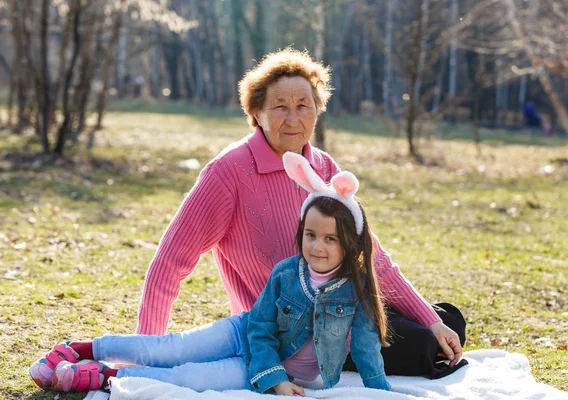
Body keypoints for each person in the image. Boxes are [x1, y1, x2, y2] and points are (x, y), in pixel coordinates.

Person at [136, 48, 466, 377]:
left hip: (347, 309)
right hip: (295, 337)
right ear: (256, 112)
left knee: (448, 320)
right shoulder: (228, 173)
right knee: (424, 345)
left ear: (317, 110)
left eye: (303, 106)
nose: (293, 120)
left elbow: (372, 258)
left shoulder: (322, 166)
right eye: (280, 107)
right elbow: (169, 263)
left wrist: (431, 320)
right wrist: (145, 352)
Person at [29, 153, 391, 395]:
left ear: (351, 243)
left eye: (330, 239)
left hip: (262, 369)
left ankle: (110, 377)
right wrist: (276, 377)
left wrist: (380, 391)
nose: (317, 247)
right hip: (242, 335)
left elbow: (365, 347)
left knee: (189, 379)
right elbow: (261, 327)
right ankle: (81, 348)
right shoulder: (286, 273)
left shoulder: (356, 292)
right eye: (310, 235)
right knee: (173, 349)